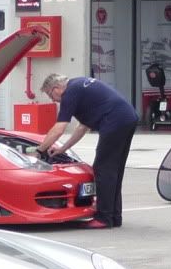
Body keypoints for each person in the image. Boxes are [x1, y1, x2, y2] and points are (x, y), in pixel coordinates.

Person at [37, 73, 138, 229]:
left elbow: (59, 129)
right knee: (114, 170)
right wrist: (62, 149)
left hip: (115, 120)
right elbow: (82, 127)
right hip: (128, 116)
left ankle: (104, 218)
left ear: (56, 89)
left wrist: (39, 150)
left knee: (103, 168)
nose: (53, 100)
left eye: (51, 95)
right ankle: (114, 216)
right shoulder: (78, 85)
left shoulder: (69, 93)